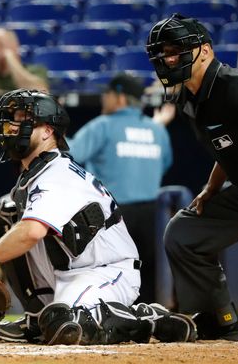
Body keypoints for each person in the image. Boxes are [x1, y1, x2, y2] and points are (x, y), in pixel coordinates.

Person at [0, 89, 196, 346]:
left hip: (106, 270)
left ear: (47, 131)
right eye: (13, 118)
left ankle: (146, 319)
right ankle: (36, 318)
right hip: (69, 271)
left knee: (65, 326)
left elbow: (32, 232)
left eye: (23, 119)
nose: (13, 126)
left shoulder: (58, 173)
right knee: (7, 211)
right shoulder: (33, 175)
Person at [146, 15, 238, 343]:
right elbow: (227, 150)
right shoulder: (189, 98)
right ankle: (221, 318)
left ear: (204, 51)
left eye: (176, 51)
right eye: (163, 53)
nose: (169, 59)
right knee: (183, 231)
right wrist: (210, 189)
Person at [68, 73, 173, 304]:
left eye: (108, 94)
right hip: (152, 215)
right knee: (147, 277)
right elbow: (165, 163)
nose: (104, 98)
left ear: (121, 98)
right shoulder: (157, 130)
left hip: (114, 216)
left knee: (111, 274)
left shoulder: (103, 125)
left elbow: (71, 154)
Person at [0, 28, 49, 96]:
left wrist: (10, 57)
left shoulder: (35, 70)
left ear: (15, 46)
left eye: (0, 45)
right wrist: (15, 97)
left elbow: (40, 93)